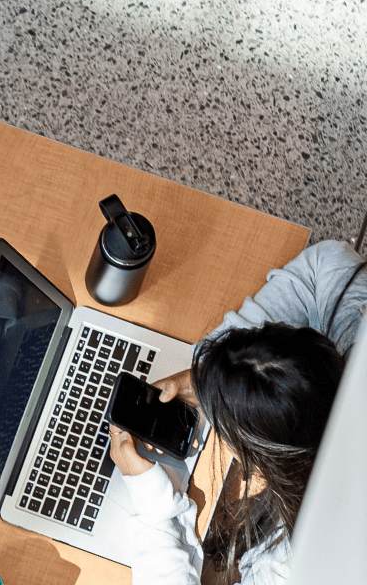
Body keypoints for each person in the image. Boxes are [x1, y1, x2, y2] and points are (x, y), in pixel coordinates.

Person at [109, 240, 363, 584]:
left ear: (262, 459)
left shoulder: (297, 563)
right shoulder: (356, 342)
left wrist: (153, 506)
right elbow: (327, 261)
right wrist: (216, 377)